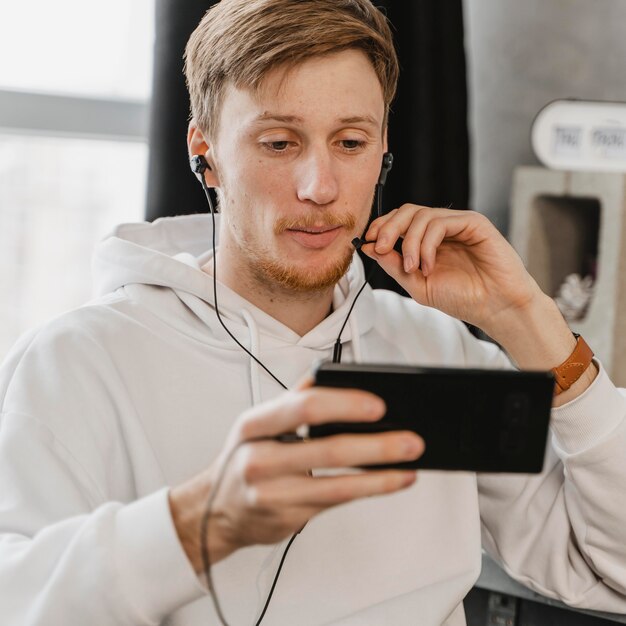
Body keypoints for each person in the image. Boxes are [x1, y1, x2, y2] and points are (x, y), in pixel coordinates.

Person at [1, 0, 625, 624]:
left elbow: (610, 573)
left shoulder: (439, 350)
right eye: (279, 142)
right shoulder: (76, 360)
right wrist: (195, 525)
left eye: (350, 142)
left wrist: (524, 317)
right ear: (205, 150)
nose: (320, 186)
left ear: (383, 151)